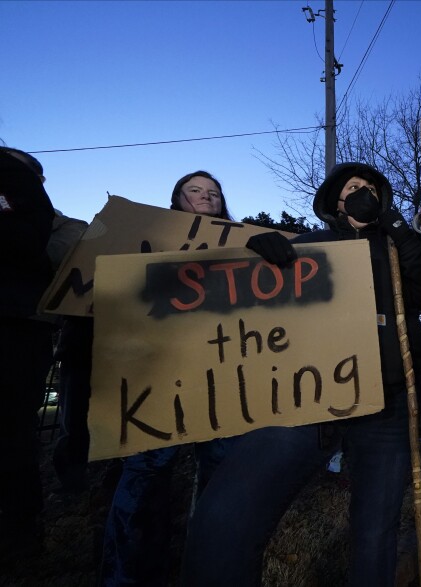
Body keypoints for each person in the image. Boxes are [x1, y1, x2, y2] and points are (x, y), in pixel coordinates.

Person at [182, 162, 421, 587]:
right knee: (228, 517)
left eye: (370, 188)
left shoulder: (398, 247)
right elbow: (258, 302)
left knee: (375, 533)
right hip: (310, 401)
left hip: (385, 409)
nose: (362, 192)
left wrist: (398, 227)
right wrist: (255, 252)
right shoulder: (309, 245)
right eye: (353, 187)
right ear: (337, 199)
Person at [99, 171, 238, 586]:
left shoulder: (240, 246)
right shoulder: (148, 244)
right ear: (176, 198)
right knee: (144, 480)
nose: (205, 197)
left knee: (221, 476)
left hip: (223, 379)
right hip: (158, 381)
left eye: (213, 193)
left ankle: (210, 568)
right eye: (195, 190)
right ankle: (130, 575)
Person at [0, 147, 56, 562]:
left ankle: (20, 530)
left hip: (15, 324)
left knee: (11, 430)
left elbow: (28, 241)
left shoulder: (17, 186)